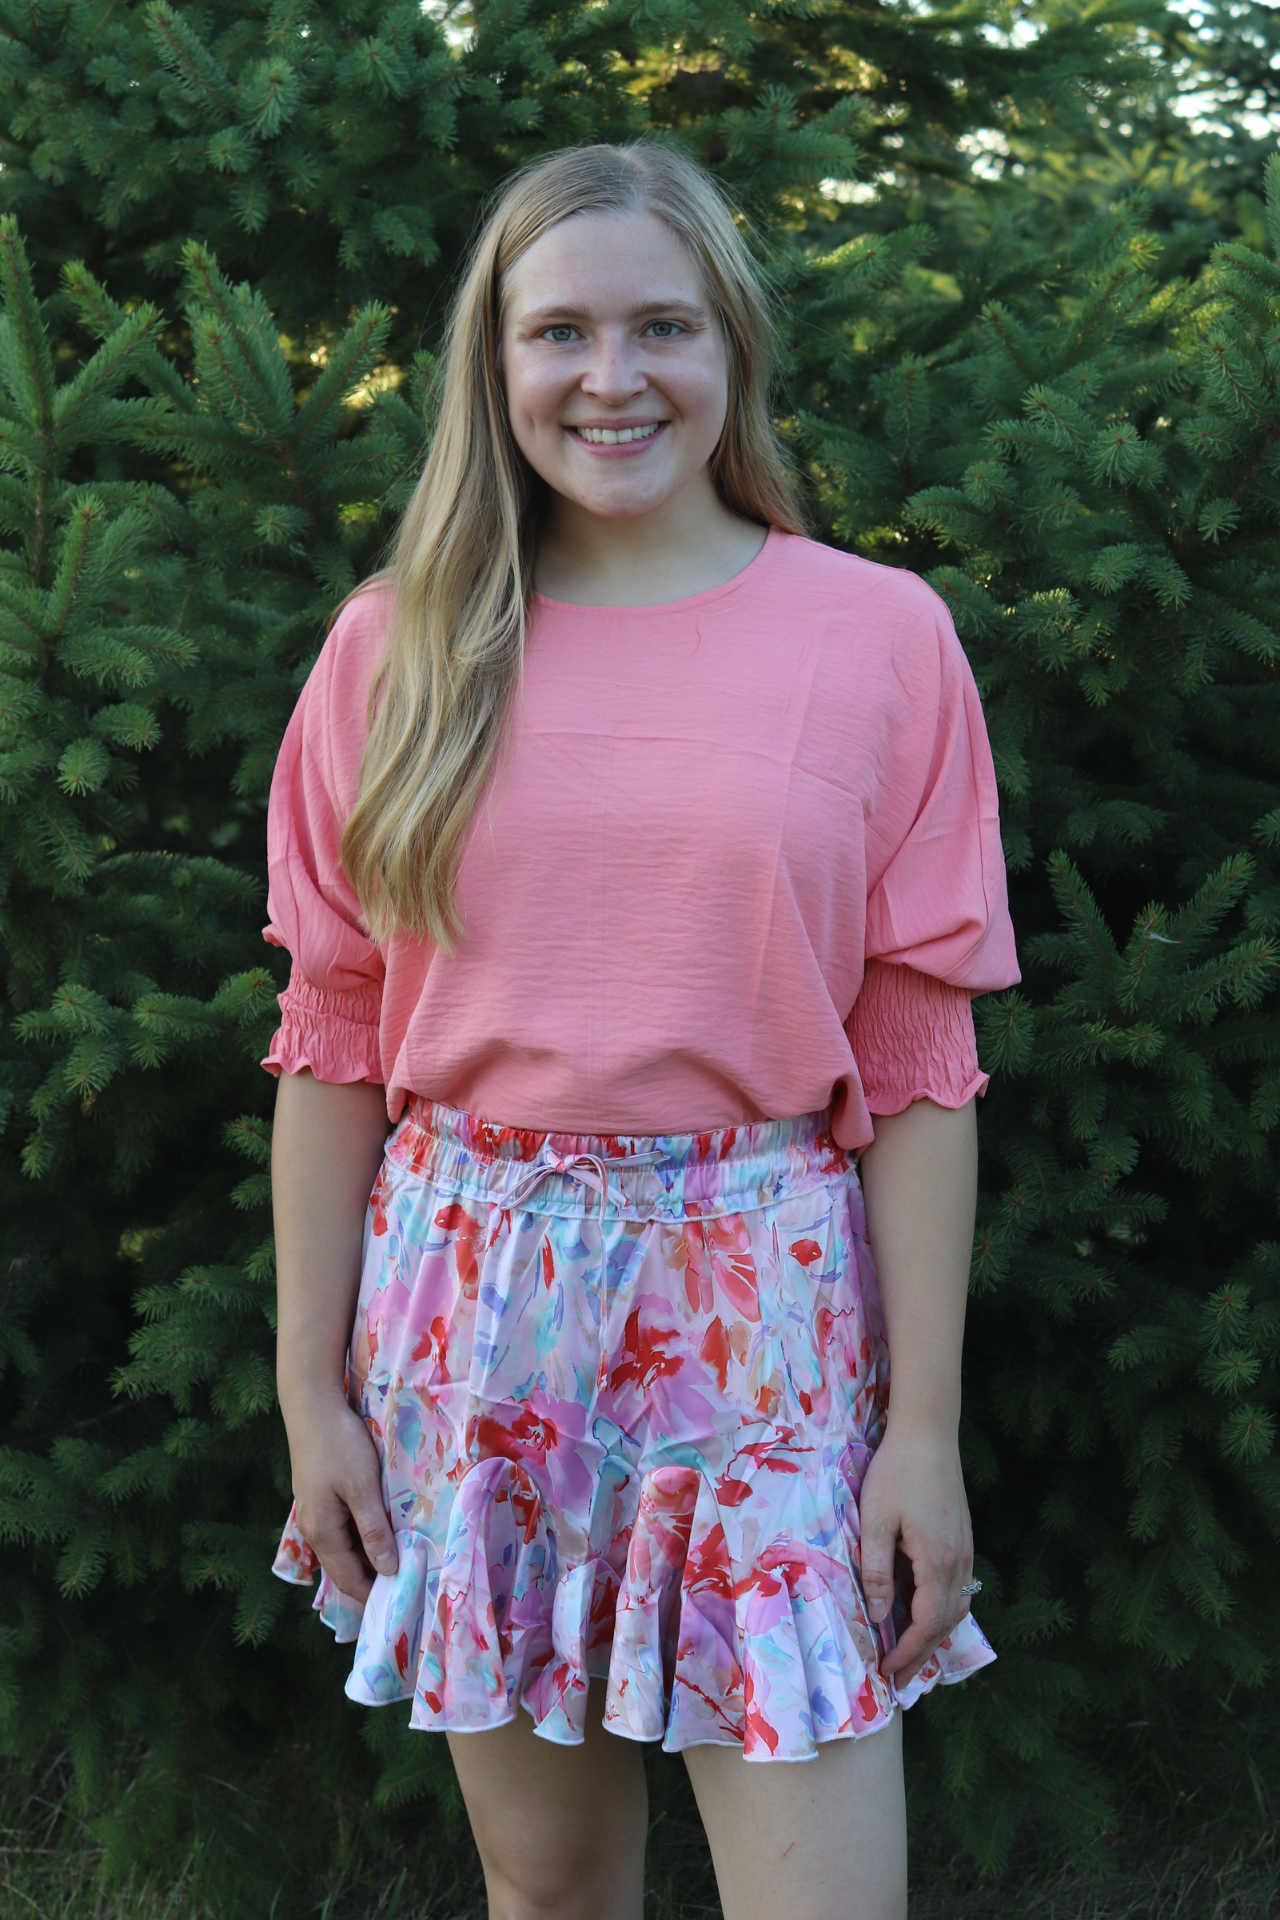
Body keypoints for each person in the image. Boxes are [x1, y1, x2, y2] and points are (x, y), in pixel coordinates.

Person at [265, 141, 1019, 1920]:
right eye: (560, 333)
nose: (612, 380)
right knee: (547, 1893)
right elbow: (336, 1037)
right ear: (494, 363)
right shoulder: (399, 652)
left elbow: (916, 1068)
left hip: (764, 1315)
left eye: (661, 325)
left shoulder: (879, 639)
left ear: (733, 346)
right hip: (472, 1303)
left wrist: (924, 1431)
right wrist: (312, 1393)